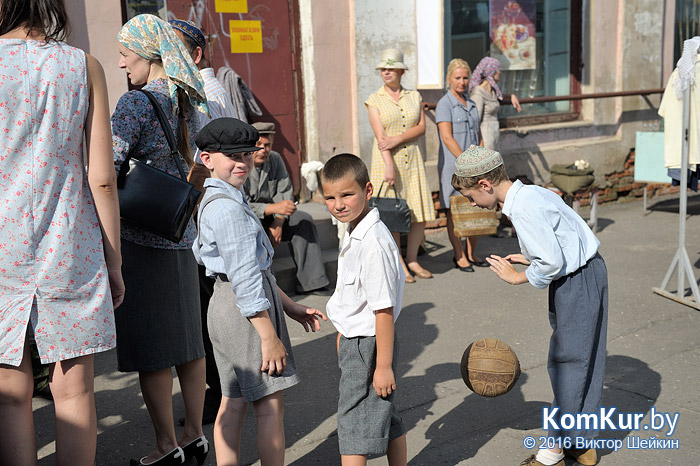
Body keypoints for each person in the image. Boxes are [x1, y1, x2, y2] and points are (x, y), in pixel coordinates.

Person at [0, 0, 124, 465]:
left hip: (2, 247)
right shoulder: (82, 65)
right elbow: (103, 178)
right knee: (74, 390)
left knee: (9, 393)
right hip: (70, 243)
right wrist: (113, 262)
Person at [451, 145, 607, 466]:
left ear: (485, 185)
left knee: (568, 365)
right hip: (589, 271)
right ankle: (579, 442)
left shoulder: (521, 209)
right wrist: (532, 255)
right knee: (584, 362)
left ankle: (551, 453)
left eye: (470, 197)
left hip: (576, 280)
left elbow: (550, 262)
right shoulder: (530, 192)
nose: (471, 203)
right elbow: (561, 229)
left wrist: (517, 276)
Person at [192, 118, 327, 466]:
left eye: (247, 155)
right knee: (268, 408)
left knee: (232, 399)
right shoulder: (228, 209)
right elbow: (246, 278)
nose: (242, 163)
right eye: (231, 156)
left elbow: (254, 273)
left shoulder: (220, 196)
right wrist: (268, 335)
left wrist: (290, 306)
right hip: (245, 314)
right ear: (207, 158)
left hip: (229, 304)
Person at [111, 14, 208, 466]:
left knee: (153, 350)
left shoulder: (134, 105)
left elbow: (107, 169)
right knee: (189, 344)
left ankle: (164, 445)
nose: (120, 62)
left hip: (143, 239)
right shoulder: (184, 99)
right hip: (181, 233)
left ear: (149, 55)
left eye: (126, 53)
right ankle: (194, 435)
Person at [320, 153, 407, 466]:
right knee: (386, 412)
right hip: (359, 339)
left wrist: (382, 366)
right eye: (330, 197)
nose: (338, 204)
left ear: (368, 190)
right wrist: (344, 331)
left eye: (347, 195)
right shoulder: (355, 228)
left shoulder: (373, 242)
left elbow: (383, 309)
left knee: (353, 422)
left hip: (370, 343)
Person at [170, 17, 235, 425]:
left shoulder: (205, 94)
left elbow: (205, 161)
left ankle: (221, 390)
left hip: (203, 210)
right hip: (206, 209)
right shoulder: (202, 90)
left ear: (195, 54)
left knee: (209, 303)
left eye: (175, 50)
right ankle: (220, 386)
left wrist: (181, 201)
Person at [366, 48, 436, 284]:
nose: (386, 72)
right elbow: (380, 136)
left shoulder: (414, 96)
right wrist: (389, 166)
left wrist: (397, 139)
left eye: (390, 68)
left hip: (412, 158)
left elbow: (421, 128)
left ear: (401, 71)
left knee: (418, 213)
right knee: (393, 213)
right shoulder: (374, 100)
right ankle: (399, 263)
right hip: (388, 161)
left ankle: (413, 258)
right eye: (383, 69)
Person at [244, 121, 332, 295]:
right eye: (258, 145)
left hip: (276, 215)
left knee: (303, 221)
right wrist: (272, 208)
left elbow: (285, 193)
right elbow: (243, 205)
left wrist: (278, 221)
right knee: (251, 230)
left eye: (267, 145)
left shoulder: (275, 159)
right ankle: (266, 289)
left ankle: (313, 282)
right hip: (251, 217)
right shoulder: (241, 163)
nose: (263, 149)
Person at [435, 58, 487, 272]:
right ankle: (459, 255)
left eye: (465, 77)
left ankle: (472, 252)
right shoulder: (444, 104)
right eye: (457, 78)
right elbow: (447, 138)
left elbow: (479, 135)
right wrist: (467, 162)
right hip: (454, 167)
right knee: (454, 212)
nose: (462, 82)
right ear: (449, 79)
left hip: (475, 165)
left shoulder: (472, 104)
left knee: (476, 206)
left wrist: (483, 159)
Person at [468, 57, 522, 151]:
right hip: (485, 141)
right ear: (491, 71)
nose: (500, 72)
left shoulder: (492, 91)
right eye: (498, 69)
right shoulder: (478, 94)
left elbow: (499, 96)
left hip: (494, 138)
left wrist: (510, 96)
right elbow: (475, 122)